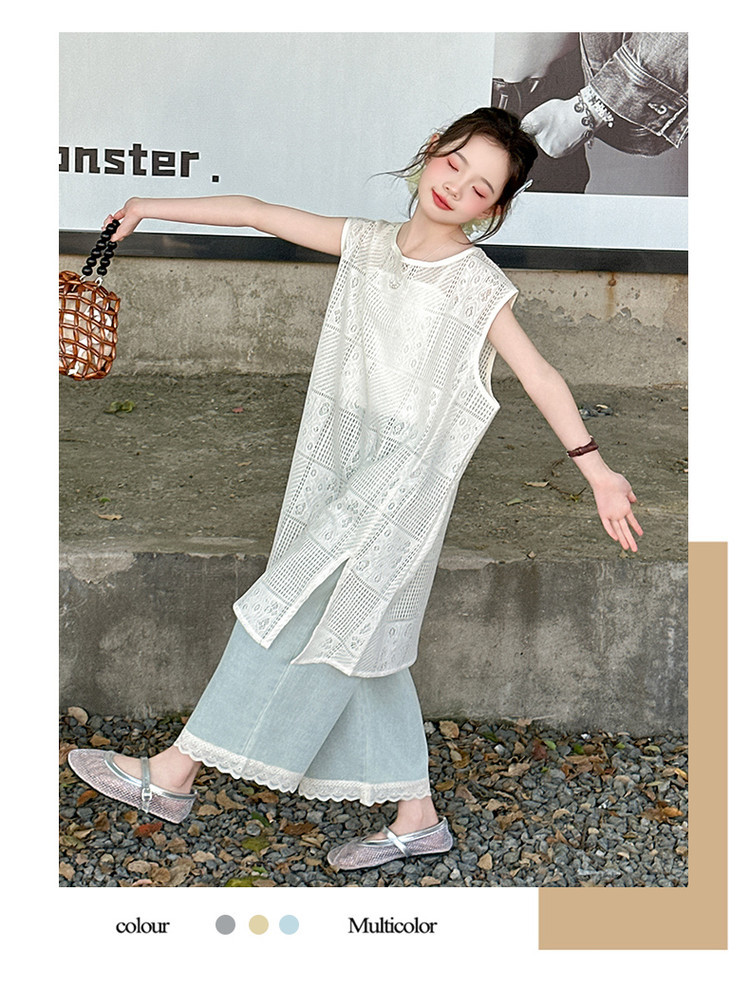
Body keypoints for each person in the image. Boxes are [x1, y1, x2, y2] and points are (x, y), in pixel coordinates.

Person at [67, 107, 643, 873]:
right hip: (340, 466)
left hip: (400, 484)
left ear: (494, 210)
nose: (456, 187)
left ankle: (175, 771)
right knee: (362, 631)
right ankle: (418, 816)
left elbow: (539, 374)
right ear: (432, 151)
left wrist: (597, 469)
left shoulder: (477, 284)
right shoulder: (368, 244)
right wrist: (147, 204)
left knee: (286, 604)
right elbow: (257, 212)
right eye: (454, 164)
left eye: (480, 188)